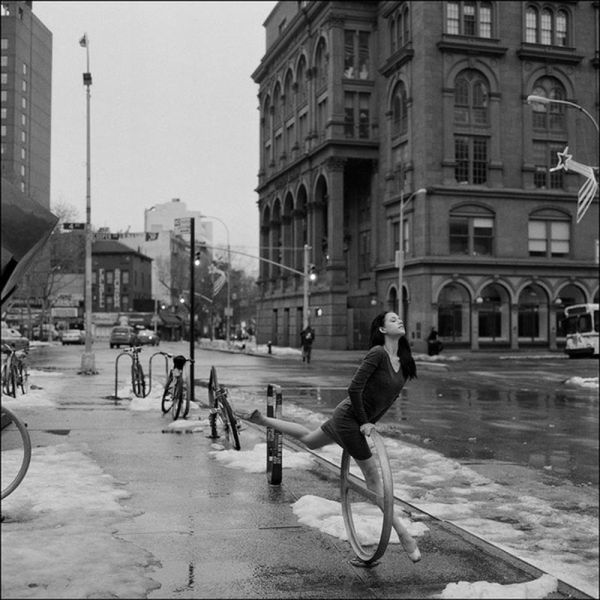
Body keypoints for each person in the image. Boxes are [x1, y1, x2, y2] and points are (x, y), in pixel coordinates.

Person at [248, 311, 421, 563]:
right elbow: (354, 389)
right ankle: (405, 536)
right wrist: (363, 422)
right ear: (382, 330)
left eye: (399, 318)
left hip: (355, 420)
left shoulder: (405, 363)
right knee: (374, 481)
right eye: (393, 319)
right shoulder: (377, 354)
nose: (400, 321)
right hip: (349, 418)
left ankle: (263, 421)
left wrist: (371, 423)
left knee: (309, 439)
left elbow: (388, 400)